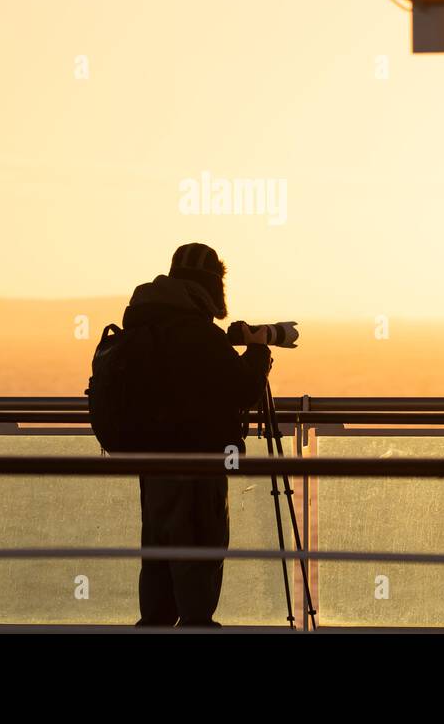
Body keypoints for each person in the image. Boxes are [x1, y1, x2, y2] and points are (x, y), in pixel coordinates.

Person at [123, 242, 273, 627]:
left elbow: (183, 377)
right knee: (199, 561)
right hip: (197, 463)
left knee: (157, 559)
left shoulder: (149, 322)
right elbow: (242, 390)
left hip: (152, 464)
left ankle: (155, 625)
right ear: (213, 284)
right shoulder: (195, 332)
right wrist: (257, 351)